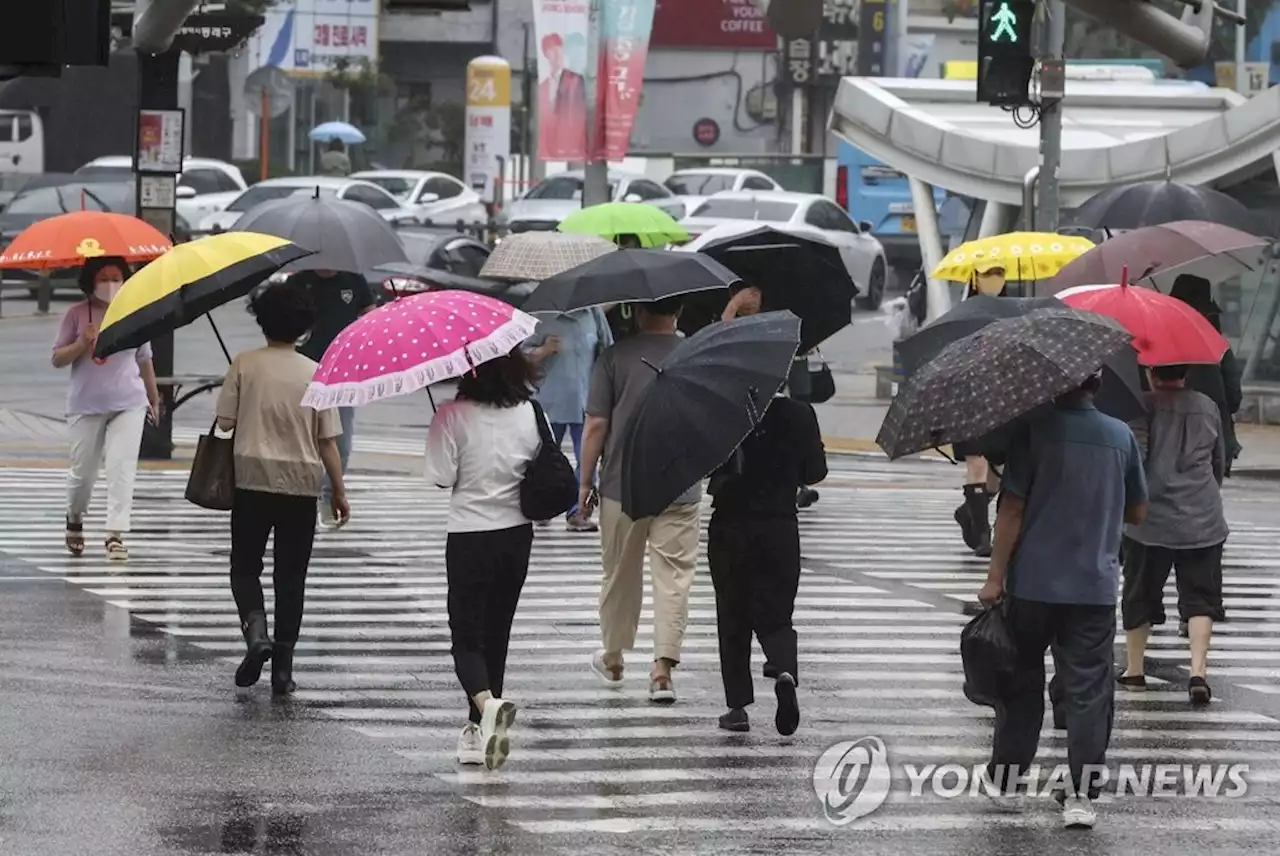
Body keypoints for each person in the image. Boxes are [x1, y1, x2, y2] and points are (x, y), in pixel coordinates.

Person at [977, 372, 1148, 829]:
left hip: (1032, 584)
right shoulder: (1120, 436)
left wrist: (994, 579)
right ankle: (1081, 796)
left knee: (1022, 678)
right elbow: (1138, 510)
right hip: (1093, 585)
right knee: (1090, 692)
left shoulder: (1034, 432)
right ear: (1096, 386)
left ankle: (1009, 779)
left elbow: (1011, 509)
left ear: (1054, 386)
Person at [216, 281, 349, 696]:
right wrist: (339, 492)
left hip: (251, 481)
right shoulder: (316, 373)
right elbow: (328, 441)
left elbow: (224, 423)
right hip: (301, 486)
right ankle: (284, 671)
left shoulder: (244, 363)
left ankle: (256, 633)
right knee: (291, 577)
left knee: (245, 567)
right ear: (304, 327)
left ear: (263, 321)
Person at [424, 349, 543, 771]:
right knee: (497, 633)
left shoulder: (451, 415)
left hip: (470, 536)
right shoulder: (530, 411)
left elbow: (440, 477)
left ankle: (486, 707)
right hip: (516, 535)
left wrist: (445, 428)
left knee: (466, 637)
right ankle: (479, 728)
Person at [579, 295, 700, 703]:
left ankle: (613, 657)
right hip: (680, 485)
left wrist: (584, 481)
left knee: (619, 573)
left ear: (638, 310)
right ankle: (662, 669)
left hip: (621, 484)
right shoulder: (696, 354)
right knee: (674, 578)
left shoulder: (614, 357)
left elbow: (596, 424)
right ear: (678, 311)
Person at [707, 392, 827, 734]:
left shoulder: (723, 410)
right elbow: (816, 472)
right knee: (777, 613)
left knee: (732, 614)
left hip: (731, 526)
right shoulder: (800, 412)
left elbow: (706, 467)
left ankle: (737, 707)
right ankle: (784, 669)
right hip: (780, 525)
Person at [1119, 364, 1227, 704]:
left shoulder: (1142, 406)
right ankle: (1198, 672)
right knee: (1201, 598)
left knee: (1140, 593)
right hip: (1203, 519)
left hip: (1150, 521)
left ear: (1151, 371)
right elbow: (1218, 461)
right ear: (1186, 371)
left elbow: (1135, 461)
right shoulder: (1207, 405)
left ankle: (1135, 669)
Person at [52, 257, 160, 561]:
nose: (111, 284)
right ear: (90, 281)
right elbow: (57, 359)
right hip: (86, 404)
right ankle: (75, 517)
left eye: (117, 277)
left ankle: (115, 533)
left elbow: (144, 358)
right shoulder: (75, 315)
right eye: (104, 277)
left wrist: (153, 397)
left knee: (121, 468)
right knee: (83, 474)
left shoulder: (135, 314)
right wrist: (81, 345)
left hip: (129, 402)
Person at [294, 269, 379, 526]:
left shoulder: (354, 279)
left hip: (344, 369)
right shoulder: (299, 282)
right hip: (302, 368)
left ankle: (329, 495)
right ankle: (302, 494)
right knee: (302, 437)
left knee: (339, 440)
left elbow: (369, 312)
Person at [525, 306, 613, 532]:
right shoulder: (539, 316)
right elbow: (521, 356)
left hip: (588, 401)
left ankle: (579, 512)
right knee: (541, 459)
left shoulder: (594, 314)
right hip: (550, 401)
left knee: (589, 460)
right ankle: (542, 506)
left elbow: (609, 350)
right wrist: (544, 350)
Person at [953, 266, 1008, 556]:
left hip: (1000, 402)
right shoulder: (964, 317)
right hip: (969, 399)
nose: (994, 282)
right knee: (976, 464)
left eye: (999, 275)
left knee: (997, 474)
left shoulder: (1012, 315)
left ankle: (968, 512)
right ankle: (984, 534)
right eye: (987, 276)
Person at [1169, 274, 1243, 475]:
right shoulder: (1217, 345)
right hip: (1214, 439)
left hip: (1168, 441)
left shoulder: (1162, 341)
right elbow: (1234, 396)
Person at [537, 33, 587, 157]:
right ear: (546, 55)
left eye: (559, 49)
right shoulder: (543, 86)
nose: (556, 54)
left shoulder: (575, 80)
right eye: (552, 51)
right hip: (550, 141)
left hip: (572, 140)